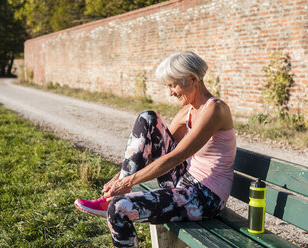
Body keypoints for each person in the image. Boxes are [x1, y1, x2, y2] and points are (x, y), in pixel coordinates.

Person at [74, 51, 236, 248]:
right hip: (184, 181)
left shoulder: (215, 110)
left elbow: (176, 156)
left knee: (119, 208)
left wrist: (128, 182)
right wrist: (121, 177)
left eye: (172, 85)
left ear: (192, 79)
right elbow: (153, 149)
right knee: (148, 118)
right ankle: (114, 196)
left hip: (206, 197)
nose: (170, 93)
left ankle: (113, 200)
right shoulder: (188, 110)